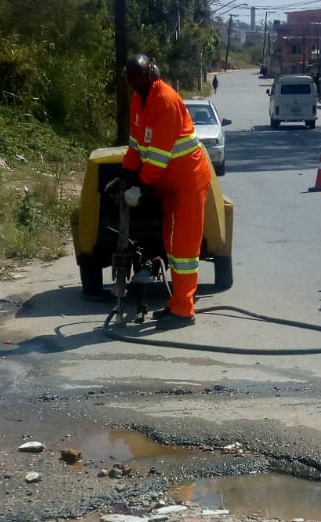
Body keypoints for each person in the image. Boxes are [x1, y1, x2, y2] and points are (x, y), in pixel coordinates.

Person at [120, 53, 213, 327]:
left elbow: (158, 157)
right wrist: (125, 174)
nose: (136, 84)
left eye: (139, 78)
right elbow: (137, 146)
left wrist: (141, 185)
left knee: (184, 249)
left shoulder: (166, 100)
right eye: (131, 81)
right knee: (171, 244)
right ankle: (176, 304)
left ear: (151, 73)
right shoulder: (140, 99)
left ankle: (184, 311)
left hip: (189, 182)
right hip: (170, 185)